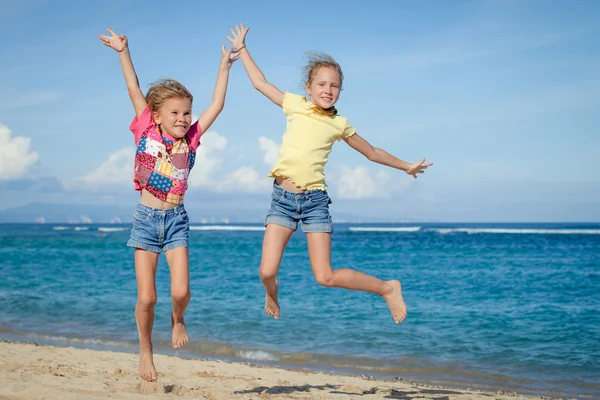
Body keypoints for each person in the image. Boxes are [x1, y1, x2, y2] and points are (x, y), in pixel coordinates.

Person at [227, 24, 432, 325]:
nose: (328, 90)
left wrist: (406, 166)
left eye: (334, 86)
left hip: (315, 203)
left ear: (340, 91)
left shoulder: (340, 124)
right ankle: (272, 293)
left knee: (325, 276)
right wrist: (242, 49)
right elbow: (260, 82)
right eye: (322, 84)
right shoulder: (294, 105)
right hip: (282, 199)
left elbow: (371, 152)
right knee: (266, 272)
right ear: (308, 87)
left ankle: (387, 288)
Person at [99, 28, 238, 382]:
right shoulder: (146, 128)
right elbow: (133, 87)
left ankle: (178, 318)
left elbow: (218, 105)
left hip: (176, 219)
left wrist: (225, 65)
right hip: (145, 219)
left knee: (181, 291)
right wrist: (122, 51)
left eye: (186, 112)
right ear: (157, 115)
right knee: (147, 299)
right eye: (175, 112)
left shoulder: (191, 139)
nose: (183, 118)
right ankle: (145, 350)